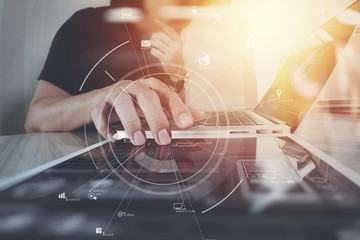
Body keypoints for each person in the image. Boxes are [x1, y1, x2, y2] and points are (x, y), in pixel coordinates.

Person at [25, 0, 208, 146]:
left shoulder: (169, 37)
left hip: (149, 164)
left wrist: (177, 76)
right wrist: (102, 99)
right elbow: (35, 119)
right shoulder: (83, 25)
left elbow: (168, 116)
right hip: (84, 164)